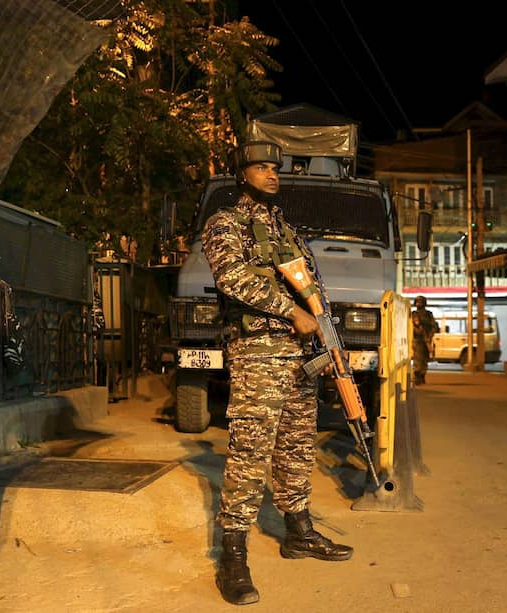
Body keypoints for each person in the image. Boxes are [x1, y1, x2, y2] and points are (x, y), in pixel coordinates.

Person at [202, 141, 353, 606]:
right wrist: (290, 311)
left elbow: (315, 290)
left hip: (301, 351)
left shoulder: (287, 231)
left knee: (295, 444)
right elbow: (233, 279)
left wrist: (328, 336)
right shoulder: (223, 224)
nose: (271, 174)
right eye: (261, 167)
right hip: (259, 351)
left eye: (274, 167)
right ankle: (232, 554)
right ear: (241, 175)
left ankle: (298, 531)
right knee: (250, 450)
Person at [410, 295, 436, 385]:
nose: (419, 304)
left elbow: (433, 326)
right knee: (418, 359)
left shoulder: (429, 314)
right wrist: (416, 330)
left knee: (425, 359)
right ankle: (417, 376)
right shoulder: (414, 314)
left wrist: (429, 336)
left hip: (427, 339)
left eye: (420, 302)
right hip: (417, 339)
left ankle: (422, 376)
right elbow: (411, 326)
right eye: (417, 302)